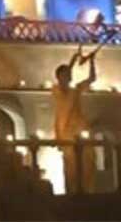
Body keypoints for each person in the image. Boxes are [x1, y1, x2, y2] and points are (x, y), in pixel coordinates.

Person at [54, 47, 96, 194]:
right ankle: (71, 193)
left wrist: (91, 61)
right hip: (66, 133)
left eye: (69, 74)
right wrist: (73, 60)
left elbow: (92, 79)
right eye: (65, 75)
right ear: (59, 77)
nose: (68, 76)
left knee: (88, 163)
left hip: (81, 129)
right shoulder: (57, 91)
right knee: (71, 166)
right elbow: (63, 81)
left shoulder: (76, 90)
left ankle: (87, 191)